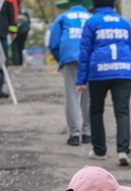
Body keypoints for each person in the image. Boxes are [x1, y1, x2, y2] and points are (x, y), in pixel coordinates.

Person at [76, 0, 131, 166]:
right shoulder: (124, 22)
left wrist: (81, 80)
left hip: (99, 72)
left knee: (96, 110)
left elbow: (85, 51)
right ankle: (123, 150)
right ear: (114, 4)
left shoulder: (92, 22)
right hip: (123, 71)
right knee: (122, 112)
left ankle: (99, 150)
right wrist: (130, 71)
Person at [49, 0, 91, 147]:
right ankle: (87, 133)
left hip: (69, 57)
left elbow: (53, 44)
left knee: (71, 96)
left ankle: (74, 135)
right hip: (90, 57)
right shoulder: (91, 17)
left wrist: (62, 60)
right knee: (89, 96)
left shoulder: (62, 17)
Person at [0, 0, 17, 98]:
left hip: (0, 34)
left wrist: (12, 30)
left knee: (0, 62)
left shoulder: (7, 1)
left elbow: (13, 15)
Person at [10, 0, 30, 65]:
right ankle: (19, 62)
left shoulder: (13, 11)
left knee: (15, 47)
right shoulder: (25, 12)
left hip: (15, 32)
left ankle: (16, 62)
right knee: (20, 48)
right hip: (23, 33)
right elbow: (29, 23)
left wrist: (12, 32)